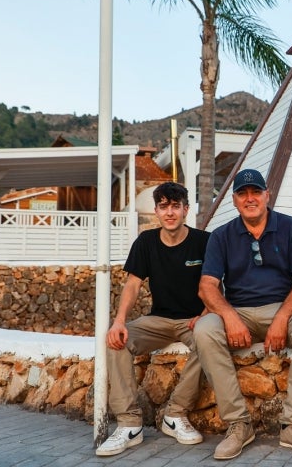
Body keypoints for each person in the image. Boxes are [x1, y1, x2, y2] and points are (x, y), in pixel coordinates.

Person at [196, 168, 292, 460]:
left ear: (268, 195)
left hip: (283, 308)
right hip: (238, 310)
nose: (250, 198)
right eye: (243, 193)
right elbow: (207, 287)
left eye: (256, 192)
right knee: (204, 330)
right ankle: (239, 425)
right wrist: (229, 318)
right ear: (234, 200)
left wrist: (281, 318)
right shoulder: (221, 236)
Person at [96, 182, 210, 457]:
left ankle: (175, 414)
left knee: (210, 343)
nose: (169, 212)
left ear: (186, 209)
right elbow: (133, 284)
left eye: (175, 206)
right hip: (158, 320)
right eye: (163, 207)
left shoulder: (205, 241)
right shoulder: (146, 242)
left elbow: (217, 284)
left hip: (194, 320)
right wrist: (119, 321)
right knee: (117, 341)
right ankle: (129, 424)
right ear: (156, 211)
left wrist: (205, 315)